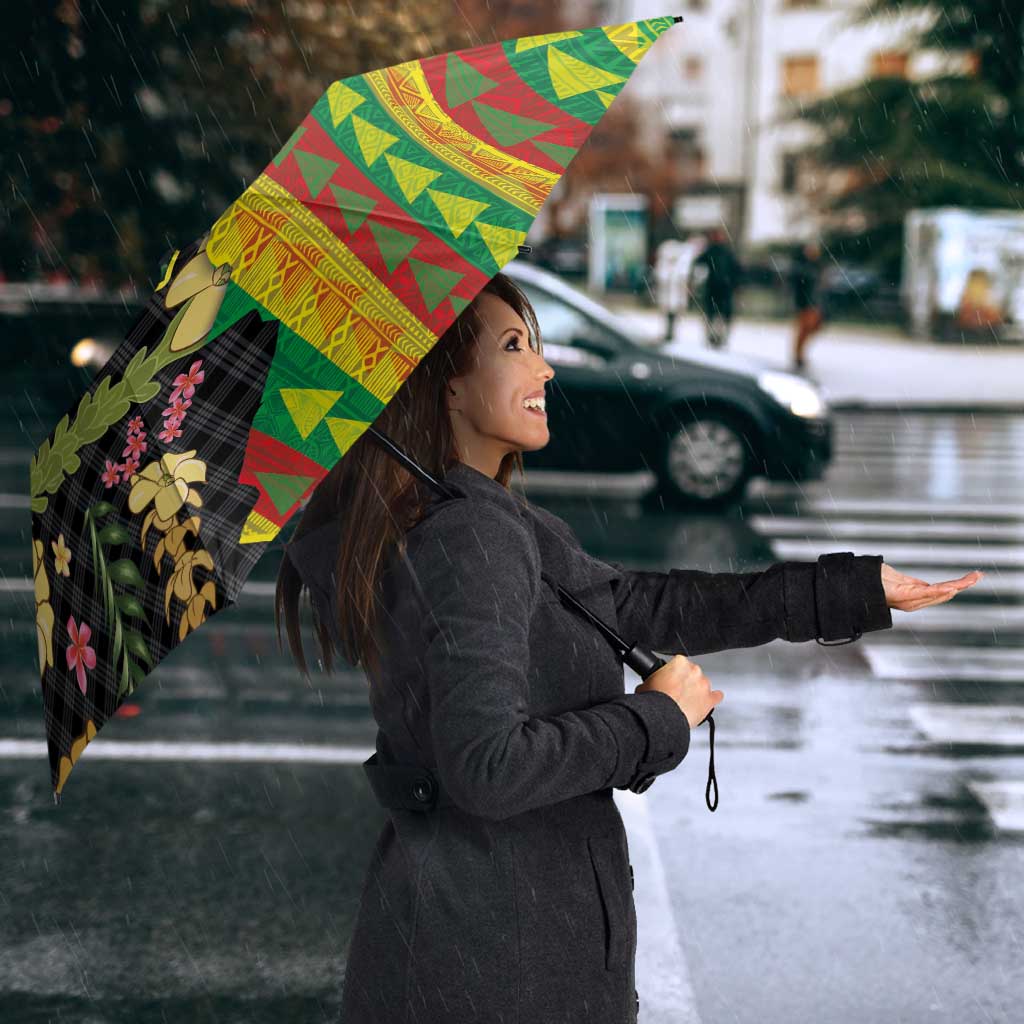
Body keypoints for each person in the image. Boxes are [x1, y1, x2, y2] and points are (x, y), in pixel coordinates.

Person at [276, 271, 974, 1024]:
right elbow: (487, 767)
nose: (544, 369)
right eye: (513, 347)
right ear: (448, 385)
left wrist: (848, 591)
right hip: (500, 963)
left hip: (476, 940)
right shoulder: (471, 536)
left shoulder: (471, 517)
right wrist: (657, 719)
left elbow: (639, 605)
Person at [692, 226, 742, 349]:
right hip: (716, 288)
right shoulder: (714, 251)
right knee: (714, 314)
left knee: (719, 315)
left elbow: (736, 270)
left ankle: (719, 337)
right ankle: (713, 337)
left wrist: (735, 284)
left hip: (722, 289)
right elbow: (698, 263)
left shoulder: (724, 252)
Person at [790, 240, 826, 370]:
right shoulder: (802, 267)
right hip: (805, 303)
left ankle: (799, 354)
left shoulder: (816, 266)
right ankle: (798, 355)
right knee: (804, 329)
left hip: (814, 303)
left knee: (813, 327)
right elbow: (799, 286)